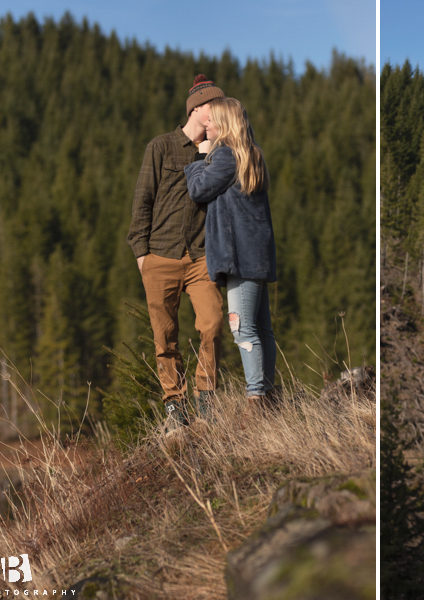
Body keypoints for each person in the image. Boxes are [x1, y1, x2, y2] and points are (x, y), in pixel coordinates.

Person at [127, 75, 226, 427]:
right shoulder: (161, 146)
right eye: (216, 105)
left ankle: (206, 397)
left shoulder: (218, 152)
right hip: (160, 257)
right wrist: (142, 254)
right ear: (198, 108)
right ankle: (174, 405)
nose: (221, 111)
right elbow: (143, 200)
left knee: (212, 324)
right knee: (164, 337)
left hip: (201, 257)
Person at [184, 97, 277, 405]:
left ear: (223, 124)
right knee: (262, 329)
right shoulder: (252, 155)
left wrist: (199, 158)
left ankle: (256, 399)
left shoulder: (224, 156)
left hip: (238, 258)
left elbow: (198, 190)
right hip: (257, 255)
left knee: (242, 329)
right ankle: (268, 393)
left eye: (211, 121)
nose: (205, 125)